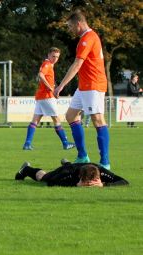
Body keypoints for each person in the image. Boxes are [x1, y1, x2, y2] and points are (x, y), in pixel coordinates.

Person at [53, 10, 110, 169]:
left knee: (97, 120)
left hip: (94, 84)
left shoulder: (88, 38)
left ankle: (105, 162)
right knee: (71, 116)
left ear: (79, 23)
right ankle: (82, 155)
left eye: (71, 26)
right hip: (84, 86)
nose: (70, 29)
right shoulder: (85, 38)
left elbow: (77, 64)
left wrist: (61, 86)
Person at [22, 47, 75, 150]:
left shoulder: (49, 65)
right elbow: (41, 75)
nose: (55, 58)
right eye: (53, 56)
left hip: (41, 96)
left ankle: (27, 144)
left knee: (35, 120)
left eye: (57, 57)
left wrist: (52, 89)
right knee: (56, 118)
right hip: (46, 97)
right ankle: (65, 143)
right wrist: (50, 88)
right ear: (48, 55)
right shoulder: (47, 64)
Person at [15, 159, 129, 187]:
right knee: (43, 177)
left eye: (94, 181)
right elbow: (52, 183)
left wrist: (104, 184)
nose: (90, 185)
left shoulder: (101, 171)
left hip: (81, 166)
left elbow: (124, 182)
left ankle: (66, 162)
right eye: (87, 182)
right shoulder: (69, 174)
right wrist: (75, 185)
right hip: (69, 168)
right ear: (80, 177)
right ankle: (26, 169)